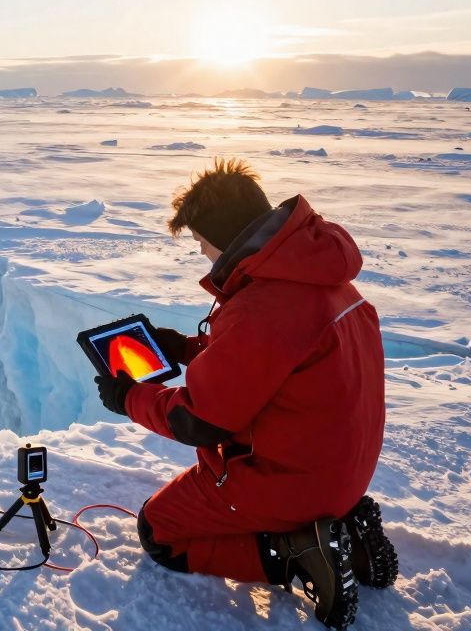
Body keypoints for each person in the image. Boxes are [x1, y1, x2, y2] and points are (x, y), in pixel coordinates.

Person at [93, 158, 397, 630]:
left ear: (223, 236)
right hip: (345, 470)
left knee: (159, 531)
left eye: (200, 242)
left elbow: (202, 420)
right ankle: (348, 534)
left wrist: (128, 399)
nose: (202, 254)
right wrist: (191, 349)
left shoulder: (262, 305)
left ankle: (300, 553)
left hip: (291, 479)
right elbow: (273, 360)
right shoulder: (317, 275)